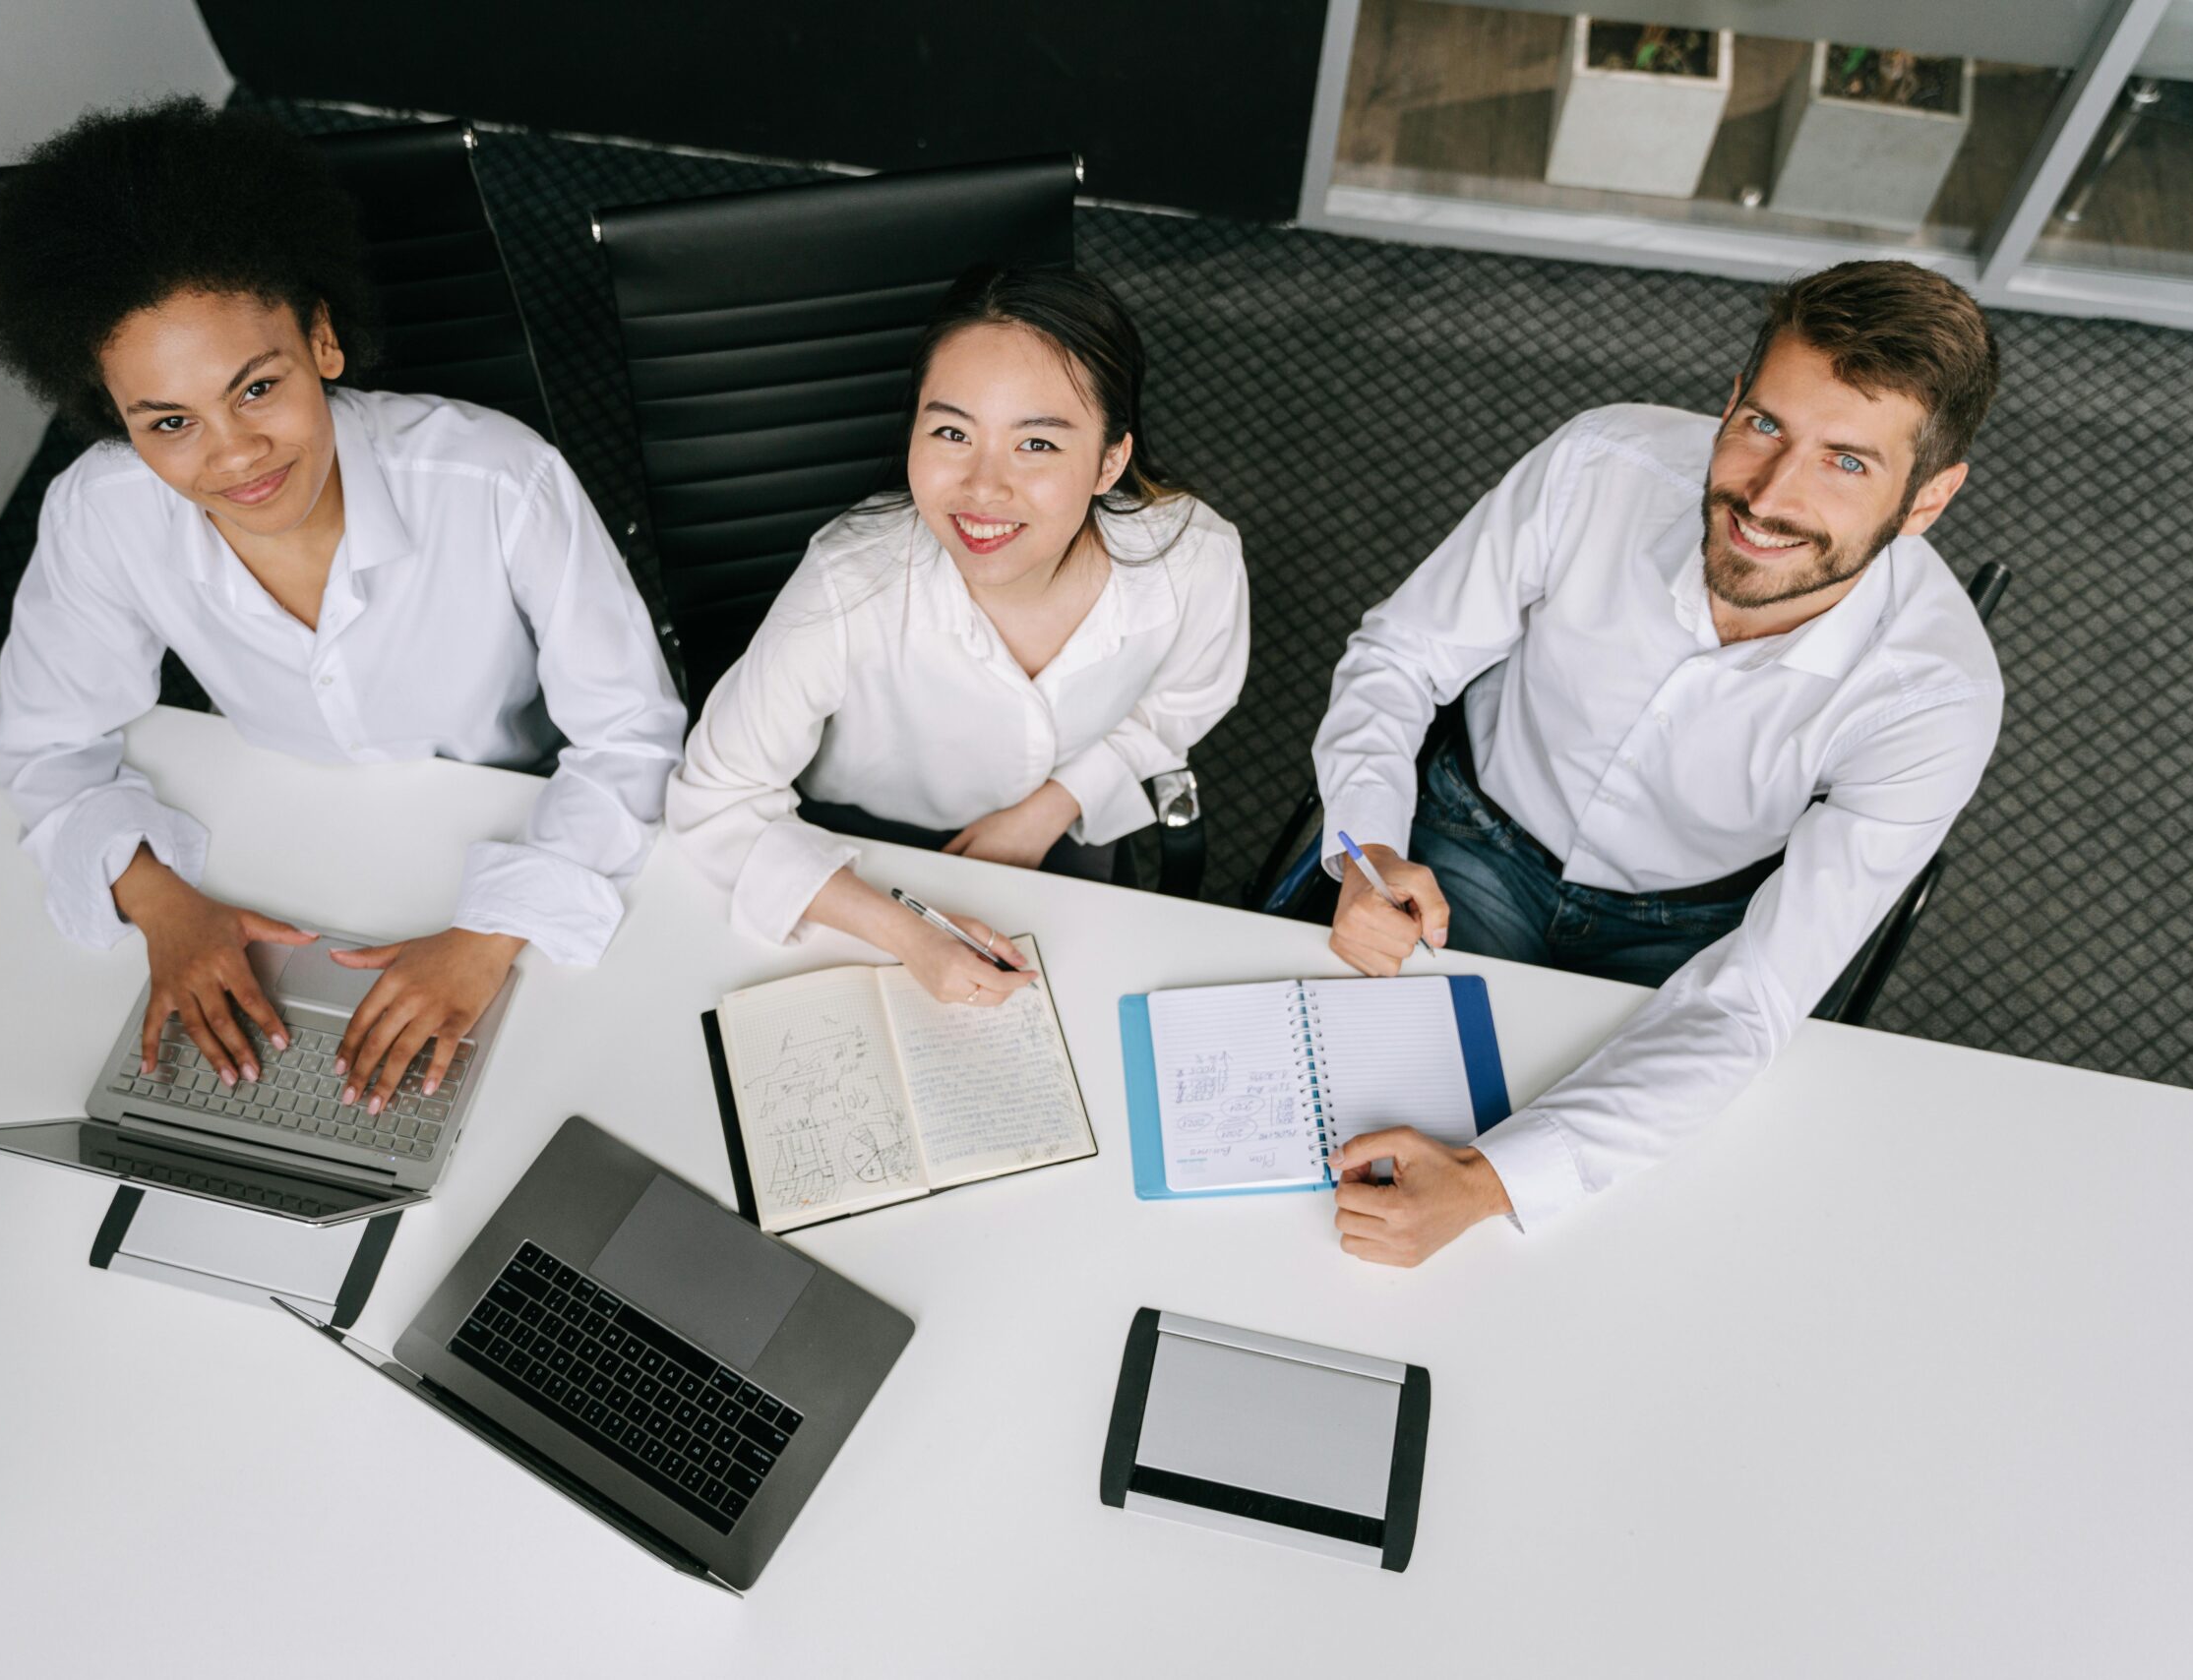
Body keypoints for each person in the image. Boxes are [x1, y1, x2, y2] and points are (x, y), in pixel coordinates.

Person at [0, 99, 684, 1115]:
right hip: (275, 830)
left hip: (503, 806)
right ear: (116, 421)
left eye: (257, 388)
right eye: (169, 421)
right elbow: (42, 744)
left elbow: (632, 735)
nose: (232, 454)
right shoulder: (102, 510)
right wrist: (158, 900)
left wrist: (492, 932)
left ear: (322, 342)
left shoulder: (497, 479)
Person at [1312, 260, 2003, 1265]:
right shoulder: (1601, 461)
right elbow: (1400, 657)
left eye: (1845, 463)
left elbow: (1751, 999)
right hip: (1468, 839)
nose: (1767, 498)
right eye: (1763, 425)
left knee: (1618, 1236)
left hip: (1687, 925)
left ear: (1927, 497)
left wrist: (1491, 1181)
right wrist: (1365, 841)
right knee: (1330, 1133)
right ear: (1728, 401)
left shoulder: (1936, 700)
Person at [665, 265, 1249, 1004]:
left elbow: (1184, 702)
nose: (982, 487)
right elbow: (712, 801)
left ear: (1110, 461)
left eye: (1036, 445)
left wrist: (1055, 804)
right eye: (951, 431)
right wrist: (908, 934)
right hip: (854, 851)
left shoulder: (1194, 559)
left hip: (1063, 828)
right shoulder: (850, 582)